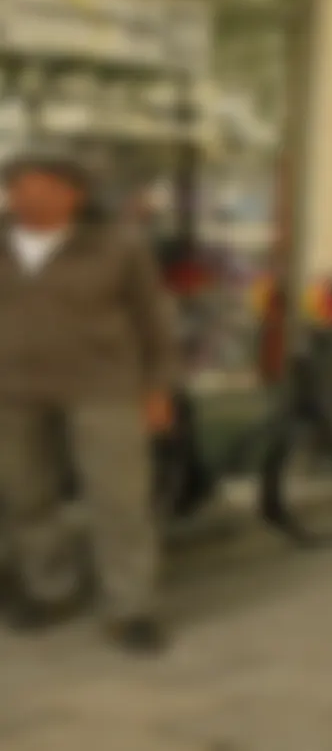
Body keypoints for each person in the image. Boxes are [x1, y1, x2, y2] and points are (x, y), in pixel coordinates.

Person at [0, 150, 178, 654]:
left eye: (41, 186)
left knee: (118, 500)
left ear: (74, 194)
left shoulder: (118, 246)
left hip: (105, 388)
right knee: (27, 498)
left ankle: (131, 607)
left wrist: (158, 387)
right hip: (12, 392)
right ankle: (50, 589)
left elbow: (153, 319)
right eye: (17, 186)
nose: (26, 196)